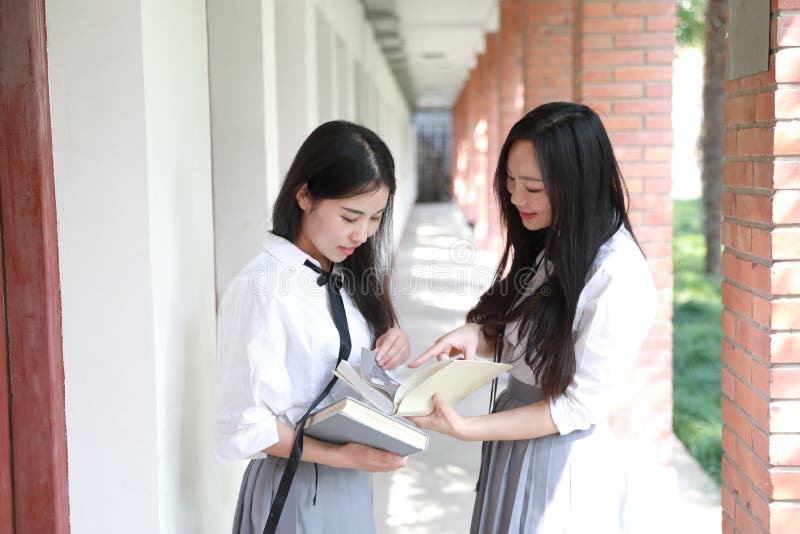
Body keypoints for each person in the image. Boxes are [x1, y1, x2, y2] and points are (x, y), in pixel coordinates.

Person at [408, 102, 658, 533]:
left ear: (578, 185)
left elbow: (574, 407)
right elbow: (530, 332)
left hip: (558, 460)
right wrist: (479, 334)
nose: (516, 199)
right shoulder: (557, 239)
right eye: (509, 182)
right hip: (518, 440)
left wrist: (469, 428)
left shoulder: (617, 274)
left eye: (534, 188)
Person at [215, 121, 411, 534]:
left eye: (375, 218)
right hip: (297, 485)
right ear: (304, 195)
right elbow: (245, 425)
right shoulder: (261, 288)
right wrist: (345, 457)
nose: (362, 233)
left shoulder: (347, 277)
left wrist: (392, 345)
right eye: (349, 216)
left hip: (350, 482)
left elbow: (346, 375)